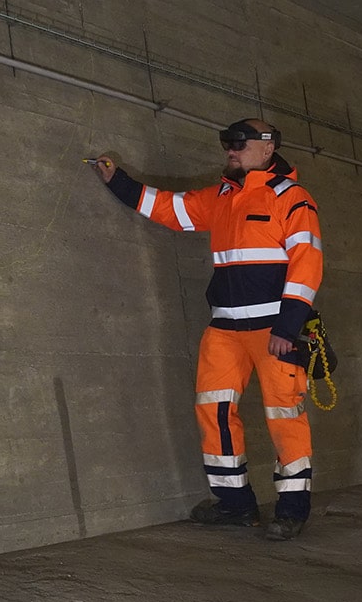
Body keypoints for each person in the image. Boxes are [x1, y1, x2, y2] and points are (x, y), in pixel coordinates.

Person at [90, 119, 324, 541]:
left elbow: (307, 262)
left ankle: (292, 510)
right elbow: (170, 209)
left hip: (274, 329)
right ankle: (235, 505)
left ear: (268, 148)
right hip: (224, 328)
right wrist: (118, 182)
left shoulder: (291, 197)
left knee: (284, 416)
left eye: (239, 144)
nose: (231, 150)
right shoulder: (221, 197)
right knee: (213, 411)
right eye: (226, 144)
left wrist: (289, 326)